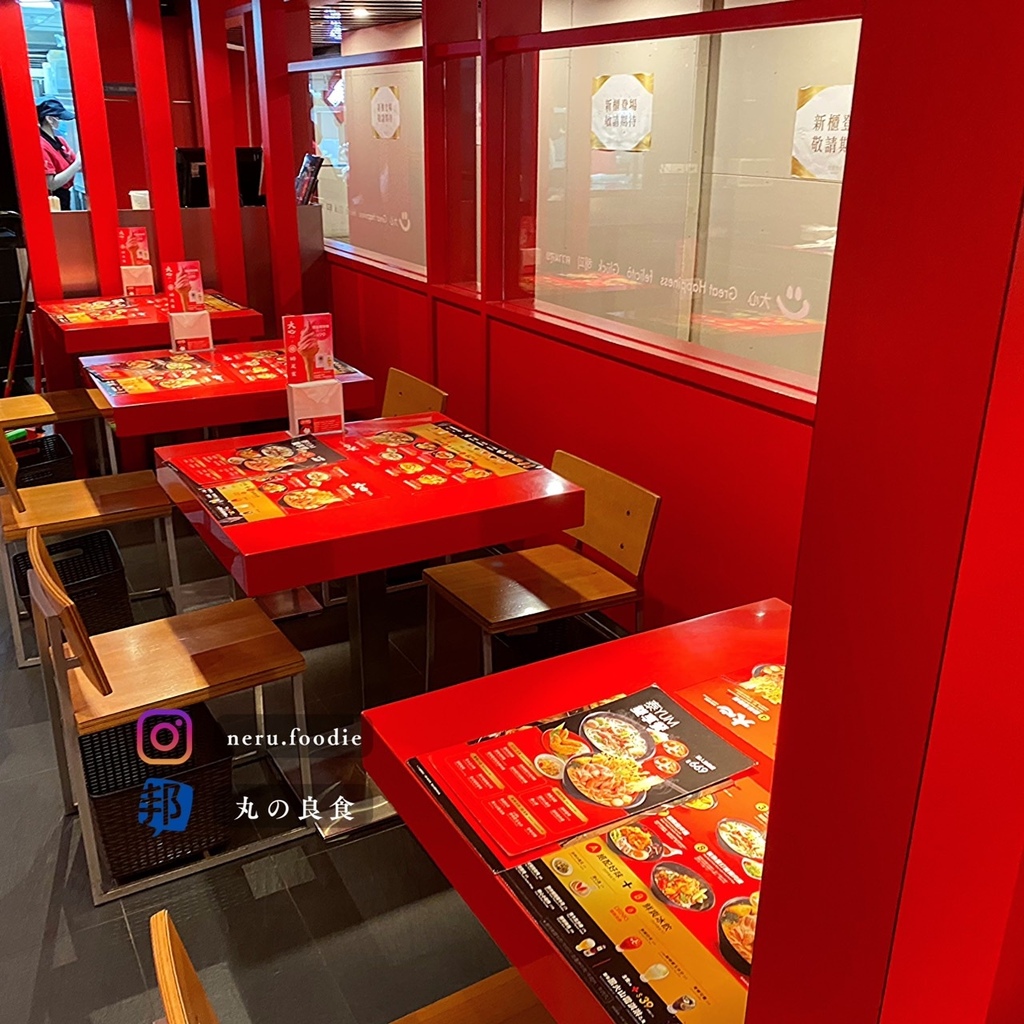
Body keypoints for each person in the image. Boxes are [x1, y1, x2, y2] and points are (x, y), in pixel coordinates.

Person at [37, 98, 81, 210]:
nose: (61, 121)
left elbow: (77, 164)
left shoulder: (60, 141)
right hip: (54, 199)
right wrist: (77, 164)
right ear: (49, 119)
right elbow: (51, 184)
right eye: (59, 118)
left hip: (66, 196)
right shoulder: (41, 145)